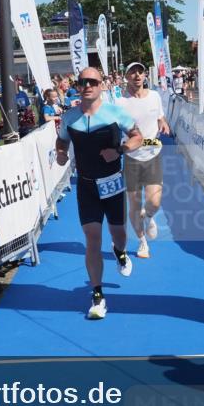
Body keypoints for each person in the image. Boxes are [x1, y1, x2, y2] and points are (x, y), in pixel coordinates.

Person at [55, 67, 143, 319]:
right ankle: (97, 295)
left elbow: (138, 137)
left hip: (112, 183)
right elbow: (62, 140)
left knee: (119, 234)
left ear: (101, 85)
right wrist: (61, 153)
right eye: (82, 82)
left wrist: (120, 150)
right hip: (86, 185)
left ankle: (120, 252)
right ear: (77, 86)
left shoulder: (115, 113)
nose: (87, 86)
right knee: (92, 238)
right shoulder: (70, 117)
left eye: (92, 82)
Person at [119, 62, 170, 260]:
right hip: (132, 158)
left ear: (145, 75)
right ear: (126, 77)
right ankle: (142, 242)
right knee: (134, 204)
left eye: (140, 72)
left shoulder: (155, 96)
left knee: (154, 202)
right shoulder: (120, 102)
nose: (137, 75)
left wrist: (163, 123)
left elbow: (160, 117)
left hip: (152, 154)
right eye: (132, 73)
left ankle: (148, 216)